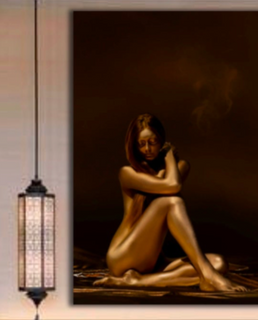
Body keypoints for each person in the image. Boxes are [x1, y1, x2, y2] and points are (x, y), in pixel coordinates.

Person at [94, 113, 246, 292]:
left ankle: (137, 282)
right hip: (123, 255)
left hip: (154, 261)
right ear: (133, 146)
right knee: (171, 202)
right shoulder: (127, 173)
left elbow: (175, 177)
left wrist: (169, 158)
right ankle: (208, 276)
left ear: (162, 141)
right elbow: (172, 186)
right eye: (141, 144)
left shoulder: (178, 166)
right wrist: (168, 159)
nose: (148, 149)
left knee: (218, 263)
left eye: (153, 142)